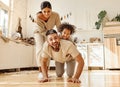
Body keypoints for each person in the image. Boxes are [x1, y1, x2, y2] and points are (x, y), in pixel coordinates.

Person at [33, 1, 61, 80]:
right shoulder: (37, 17)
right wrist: (50, 37)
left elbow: (59, 27)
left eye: (48, 11)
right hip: (38, 32)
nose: (46, 13)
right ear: (41, 11)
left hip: (49, 33)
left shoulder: (56, 15)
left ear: (51, 10)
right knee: (40, 48)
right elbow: (41, 31)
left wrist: (58, 36)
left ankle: (46, 71)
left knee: (48, 49)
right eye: (44, 11)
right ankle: (40, 72)